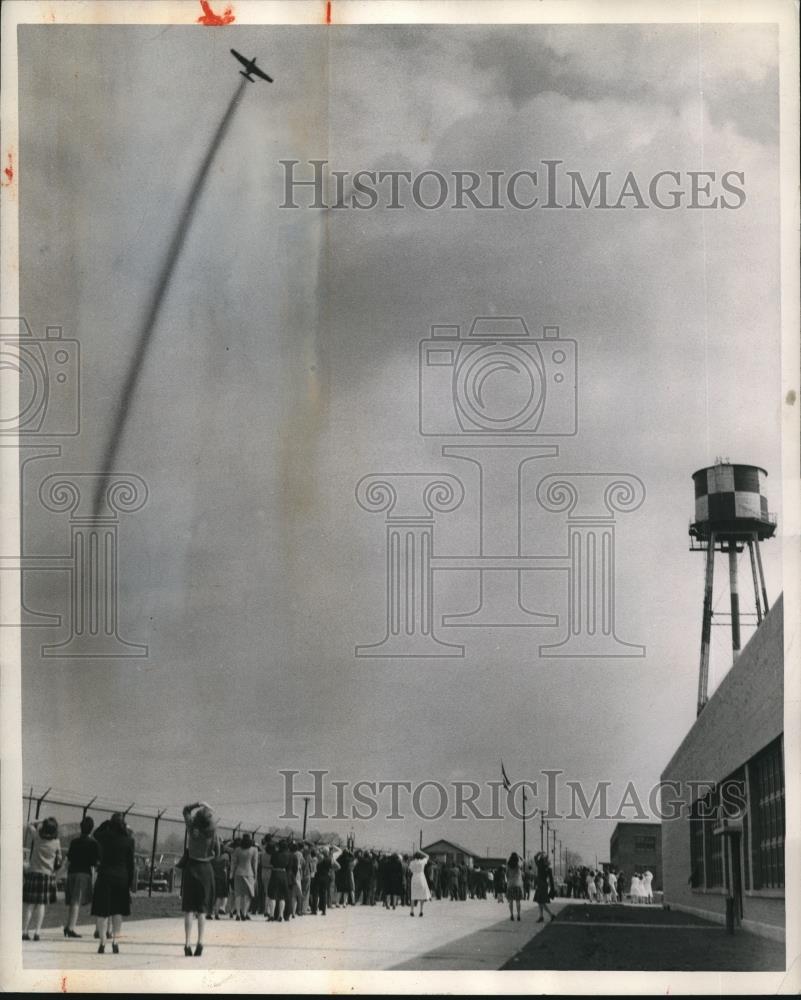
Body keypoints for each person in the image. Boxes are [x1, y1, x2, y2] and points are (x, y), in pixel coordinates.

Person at [91, 813, 135, 954]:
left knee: (102, 911)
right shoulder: (128, 840)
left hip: (105, 876)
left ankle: (102, 941)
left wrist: (106, 823)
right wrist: (129, 882)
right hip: (121, 877)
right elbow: (130, 865)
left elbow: (96, 833)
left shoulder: (104, 837)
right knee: (117, 911)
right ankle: (116, 940)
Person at [181, 801, 219, 956]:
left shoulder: (191, 828)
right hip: (205, 868)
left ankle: (187, 943)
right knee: (202, 909)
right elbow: (217, 851)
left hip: (191, 867)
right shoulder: (211, 831)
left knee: (189, 908)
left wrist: (198, 804)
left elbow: (185, 810)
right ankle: (200, 942)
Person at [23, 817, 63, 942]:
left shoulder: (37, 838)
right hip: (47, 876)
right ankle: (37, 932)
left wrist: (39, 821)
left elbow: (29, 824)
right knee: (41, 905)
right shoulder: (56, 842)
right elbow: (59, 861)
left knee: (30, 904)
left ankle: (24, 931)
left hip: (34, 873)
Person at [64, 815, 100, 937]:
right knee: (76, 902)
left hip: (72, 873)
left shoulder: (74, 842)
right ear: (91, 829)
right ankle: (70, 928)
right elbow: (95, 863)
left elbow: (68, 860)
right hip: (83, 874)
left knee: (72, 902)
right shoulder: (93, 844)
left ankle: (68, 925)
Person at [231, 834, 258, 921]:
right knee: (248, 895)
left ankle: (238, 914)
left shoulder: (237, 849)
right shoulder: (254, 850)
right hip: (249, 873)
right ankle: (244, 913)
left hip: (238, 873)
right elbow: (255, 864)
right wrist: (256, 875)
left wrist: (231, 873)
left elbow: (234, 862)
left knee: (238, 894)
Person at [267, 840, 291, 922]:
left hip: (275, 873)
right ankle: (281, 915)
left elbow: (271, 863)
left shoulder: (275, 854)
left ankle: (271, 915)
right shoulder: (288, 855)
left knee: (272, 895)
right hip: (283, 874)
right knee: (282, 896)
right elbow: (288, 866)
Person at [533, 851, 556, 923]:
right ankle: (541, 916)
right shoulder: (549, 868)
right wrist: (552, 888)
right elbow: (551, 879)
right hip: (544, 885)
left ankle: (551, 915)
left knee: (541, 901)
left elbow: (535, 857)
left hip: (540, 884)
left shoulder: (540, 865)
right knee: (540, 901)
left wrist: (539, 853)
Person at [408, 850, 430, 917]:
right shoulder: (422, 862)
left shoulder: (412, 863)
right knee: (422, 895)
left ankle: (412, 911)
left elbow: (411, 870)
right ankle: (421, 911)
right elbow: (427, 856)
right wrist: (421, 851)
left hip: (414, 877)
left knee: (413, 895)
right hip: (421, 877)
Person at [210, 845, 230, 919]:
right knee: (219, 896)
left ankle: (208, 912)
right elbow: (227, 867)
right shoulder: (225, 859)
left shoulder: (212, 859)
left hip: (213, 878)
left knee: (212, 896)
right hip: (222, 879)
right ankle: (216, 913)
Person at [505, 852, 524, 921]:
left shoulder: (508, 865)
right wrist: (519, 856)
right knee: (518, 901)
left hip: (510, 885)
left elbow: (506, 875)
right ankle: (518, 915)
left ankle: (511, 915)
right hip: (518, 884)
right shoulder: (518, 865)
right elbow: (523, 861)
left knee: (510, 901)